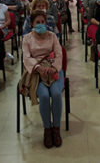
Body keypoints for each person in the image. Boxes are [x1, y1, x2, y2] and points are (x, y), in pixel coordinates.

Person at [21, 10, 64, 148]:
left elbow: (59, 54)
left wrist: (54, 68)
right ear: (32, 24)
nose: (40, 24)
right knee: (44, 96)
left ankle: (56, 129)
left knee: (56, 94)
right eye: (37, 22)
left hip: (53, 70)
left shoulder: (52, 36)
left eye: (42, 22)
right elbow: (26, 58)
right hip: (36, 72)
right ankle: (47, 129)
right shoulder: (27, 38)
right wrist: (38, 68)